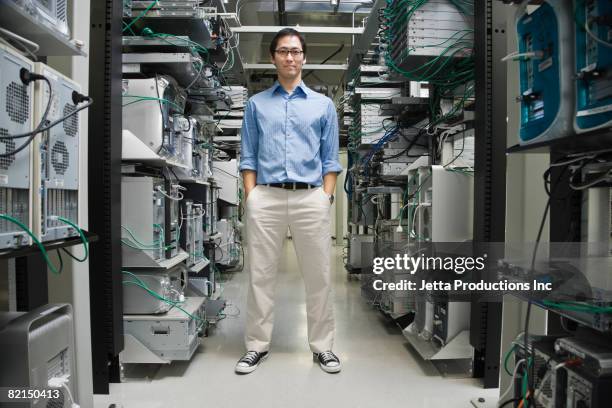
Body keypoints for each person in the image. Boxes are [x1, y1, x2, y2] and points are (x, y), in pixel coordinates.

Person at [235, 28, 343, 374]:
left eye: (296, 51)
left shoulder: (323, 105)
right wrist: (252, 196)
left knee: (319, 276)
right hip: (265, 196)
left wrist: (325, 196)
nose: (290, 57)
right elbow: (247, 156)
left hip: (310, 196)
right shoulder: (256, 105)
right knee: (260, 275)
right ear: (273, 58)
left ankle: (323, 347)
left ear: (304, 57)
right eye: (283, 51)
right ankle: (256, 346)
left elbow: (331, 159)